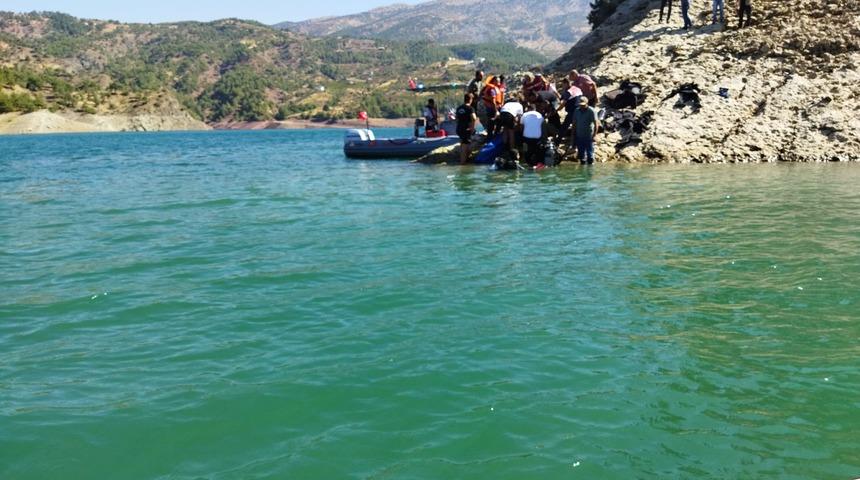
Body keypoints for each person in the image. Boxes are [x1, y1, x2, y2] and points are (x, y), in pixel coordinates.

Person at [571, 96, 600, 165]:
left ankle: (590, 170)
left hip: (588, 136)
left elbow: (596, 124)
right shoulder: (576, 111)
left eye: (583, 105)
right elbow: (574, 123)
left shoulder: (591, 111)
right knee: (581, 157)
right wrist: (573, 135)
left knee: (590, 156)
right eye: (580, 105)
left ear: (587, 103)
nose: (582, 106)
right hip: (579, 135)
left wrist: (594, 135)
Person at [456, 93, 478, 164]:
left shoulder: (459, 108)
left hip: (459, 128)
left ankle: (464, 159)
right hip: (466, 129)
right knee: (465, 145)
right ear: (470, 100)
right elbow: (474, 118)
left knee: (463, 143)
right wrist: (472, 128)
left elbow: (456, 119)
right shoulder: (470, 108)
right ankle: (462, 163)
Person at [521, 103, 544, 167]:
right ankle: (538, 163)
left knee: (525, 147)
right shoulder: (540, 115)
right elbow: (541, 125)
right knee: (536, 149)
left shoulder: (524, 114)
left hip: (526, 137)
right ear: (535, 109)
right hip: (537, 137)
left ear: (528, 109)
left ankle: (525, 159)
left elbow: (521, 126)